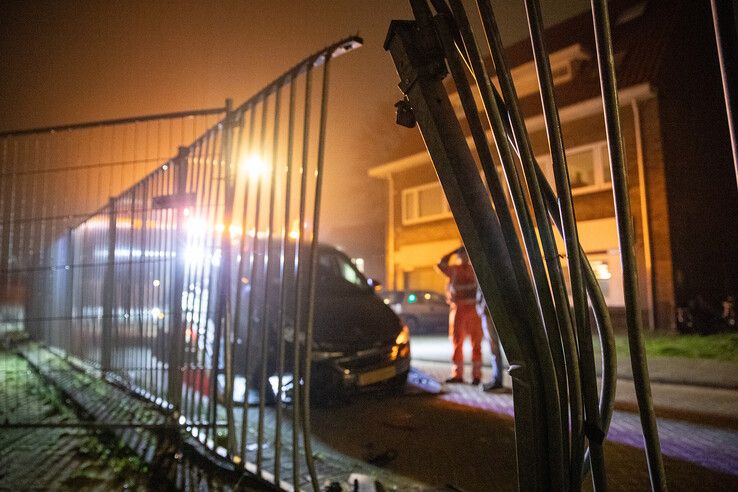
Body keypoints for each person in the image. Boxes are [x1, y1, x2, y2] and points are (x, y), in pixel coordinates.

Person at [437, 246, 483, 385]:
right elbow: (441, 263)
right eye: (461, 254)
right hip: (461, 309)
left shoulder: (471, 269)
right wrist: (454, 250)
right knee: (458, 342)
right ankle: (459, 375)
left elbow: (442, 264)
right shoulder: (455, 269)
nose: (463, 257)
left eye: (464, 254)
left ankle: (475, 376)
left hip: (471, 309)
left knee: (475, 343)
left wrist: (455, 250)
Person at [476, 287, 505, 391]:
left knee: (494, 348)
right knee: (494, 347)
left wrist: (482, 307)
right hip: (489, 312)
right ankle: (497, 378)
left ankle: (497, 380)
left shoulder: (485, 272)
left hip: (489, 313)